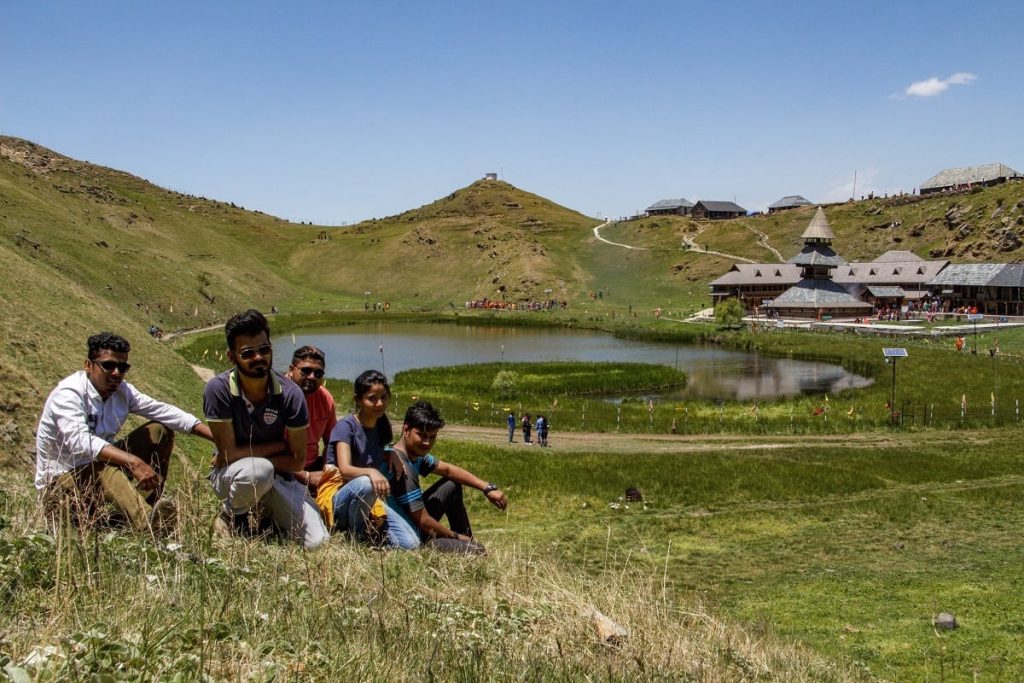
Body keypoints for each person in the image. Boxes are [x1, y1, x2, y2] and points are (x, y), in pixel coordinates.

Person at [35, 332, 214, 535]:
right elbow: (81, 443)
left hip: (96, 485)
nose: (116, 373)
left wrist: (219, 438)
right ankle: (148, 526)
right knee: (100, 465)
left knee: (159, 431)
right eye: (108, 366)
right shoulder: (69, 395)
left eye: (123, 367)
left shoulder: (122, 392)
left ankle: (148, 508)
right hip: (61, 490)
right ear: (88, 365)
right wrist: (133, 462)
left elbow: (164, 412)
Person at [204, 310, 328, 549]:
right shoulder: (217, 390)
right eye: (248, 353)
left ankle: (264, 510)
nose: (258, 357)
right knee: (258, 470)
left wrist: (243, 452)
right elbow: (228, 455)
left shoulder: (291, 394)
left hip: (279, 477)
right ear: (232, 357)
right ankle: (231, 515)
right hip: (230, 474)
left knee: (317, 542)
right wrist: (281, 446)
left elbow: (297, 462)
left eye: (264, 350)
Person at [378, 400, 507, 553]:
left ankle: (466, 542)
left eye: (432, 437)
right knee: (478, 551)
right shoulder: (403, 467)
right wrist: (455, 536)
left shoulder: (412, 454)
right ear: (406, 429)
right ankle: (465, 545)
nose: (427, 443)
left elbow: (448, 470)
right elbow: (424, 522)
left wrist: (486, 488)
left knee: (451, 484)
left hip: (415, 520)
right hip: (413, 534)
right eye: (422, 435)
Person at [317, 370, 408, 546]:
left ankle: (372, 534)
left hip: (367, 499)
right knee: (366, 483)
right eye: (372, 398)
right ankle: (357, 539)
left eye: (384, 397)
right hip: (339, 497)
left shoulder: (381, 425)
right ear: (358, 400)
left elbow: (374, 450)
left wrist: (391, 453)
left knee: (408, 543)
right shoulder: (346, 427)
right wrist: (371, 471)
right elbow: (345, 469)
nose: (379, 403)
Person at [285, 345, 336, 492]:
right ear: (291, 369)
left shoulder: (325, 399)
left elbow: (331, 442)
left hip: (313, 465)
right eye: (306, 371)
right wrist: (305, 476)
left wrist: (327, 470)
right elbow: (265, 451)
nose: (312, 377)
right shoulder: (276, 397)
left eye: (318, 373)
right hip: (282, 469)